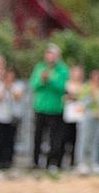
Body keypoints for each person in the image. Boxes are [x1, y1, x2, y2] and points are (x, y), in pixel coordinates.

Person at [29, 43, 69, 172]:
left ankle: (52, 163)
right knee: (37, 136)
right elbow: (33, 85)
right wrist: (42, 80)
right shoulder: (39, 67)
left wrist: (49, 80)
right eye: (48, 54)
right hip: (40, 107)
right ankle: (35, 162)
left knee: (55, 138)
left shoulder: (63, 70)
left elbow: (63, 87)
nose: (50, 57)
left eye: (52, 54)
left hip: (55, 108)